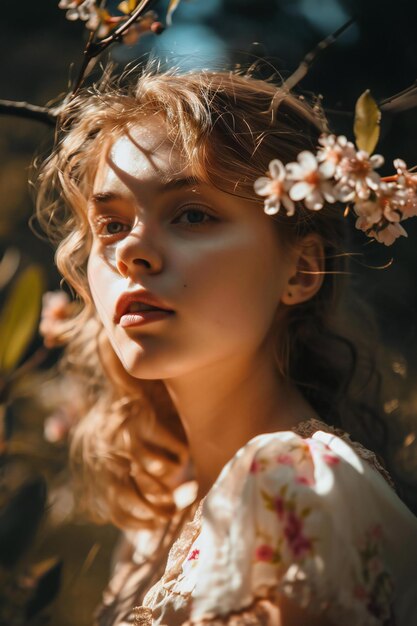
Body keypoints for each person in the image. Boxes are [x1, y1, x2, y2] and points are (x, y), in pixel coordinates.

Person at [36, 67, 417, 626]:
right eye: (110, 225)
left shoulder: (294, 486)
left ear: (301, 269)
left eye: (192, 214)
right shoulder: (156, 519)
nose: (130, 253)